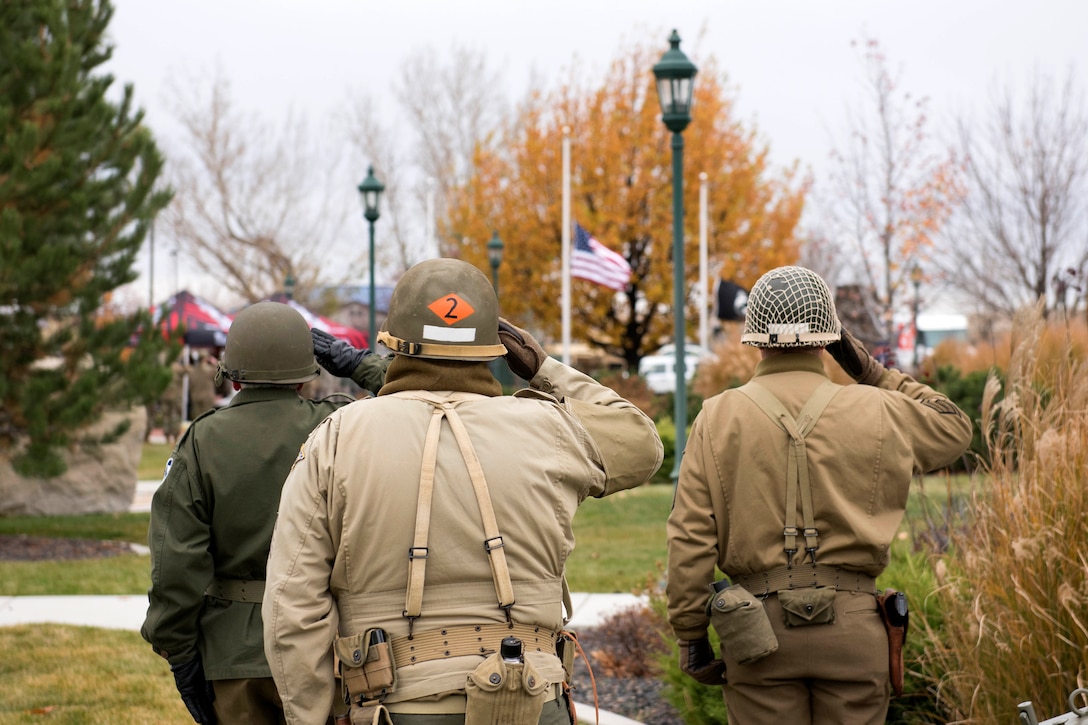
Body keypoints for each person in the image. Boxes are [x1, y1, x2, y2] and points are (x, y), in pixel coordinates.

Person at [262, 258, 664, 725]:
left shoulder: (336, 438)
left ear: (392, 342)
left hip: (390, 706)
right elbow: (640, 441)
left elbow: (292, 604)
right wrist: (542, 367)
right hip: (534, 703)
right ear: (496, 348)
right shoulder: (548, 429)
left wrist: (310, 717)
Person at [665, 265, 972, 725]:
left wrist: (691, 634)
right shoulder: (880, 409)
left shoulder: (717, 418)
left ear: (755, 336)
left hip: (756, 632)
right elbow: (954, 428)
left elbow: (689, 537)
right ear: (831, 337)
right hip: (855, 633)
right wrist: (870, 371)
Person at [141, 300, 389, 725]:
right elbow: (417, 394)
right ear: (305, 377)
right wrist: (356, 363)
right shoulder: (340, 424)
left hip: (235, 655)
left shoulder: (203, 441)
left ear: (233, 377)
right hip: (326, 646)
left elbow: (175, 565)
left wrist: (180, 655)